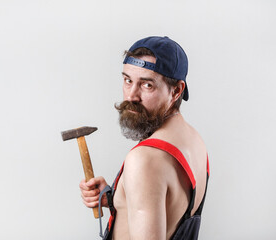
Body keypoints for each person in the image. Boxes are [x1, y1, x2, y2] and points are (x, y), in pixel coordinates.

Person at [79, 36, 209, 240]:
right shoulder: (194, 141)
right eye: (128, 80)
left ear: (176, 91)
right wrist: (117, 198)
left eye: (147, 85)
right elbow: (170, 210)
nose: (131, 96)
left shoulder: (145, 159)